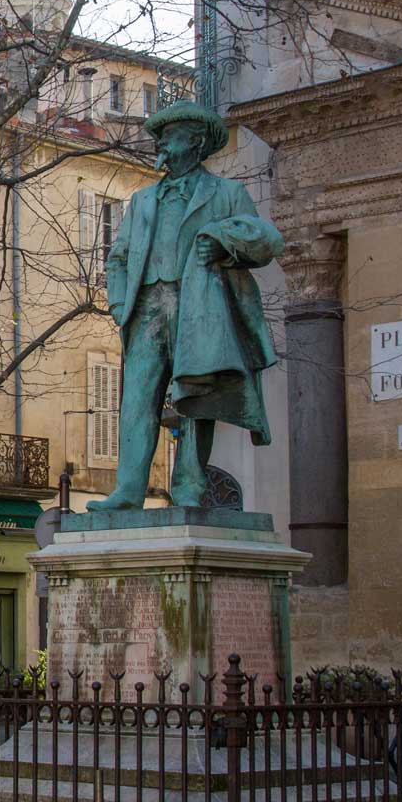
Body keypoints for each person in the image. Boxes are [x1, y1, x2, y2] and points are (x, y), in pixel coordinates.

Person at [94, 102, 283, 511]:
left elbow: (266, 242)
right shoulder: (142, 201)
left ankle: (190, 487)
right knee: (137, 397)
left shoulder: (227, 193)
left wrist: (224, 241)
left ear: (196, 142)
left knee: (196, 395)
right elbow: (119, 257)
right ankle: (128, 489)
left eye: (170, 135)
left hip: (200, 307)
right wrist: (120, 301)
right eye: (160, 136)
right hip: (146, 306)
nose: (160, 142)